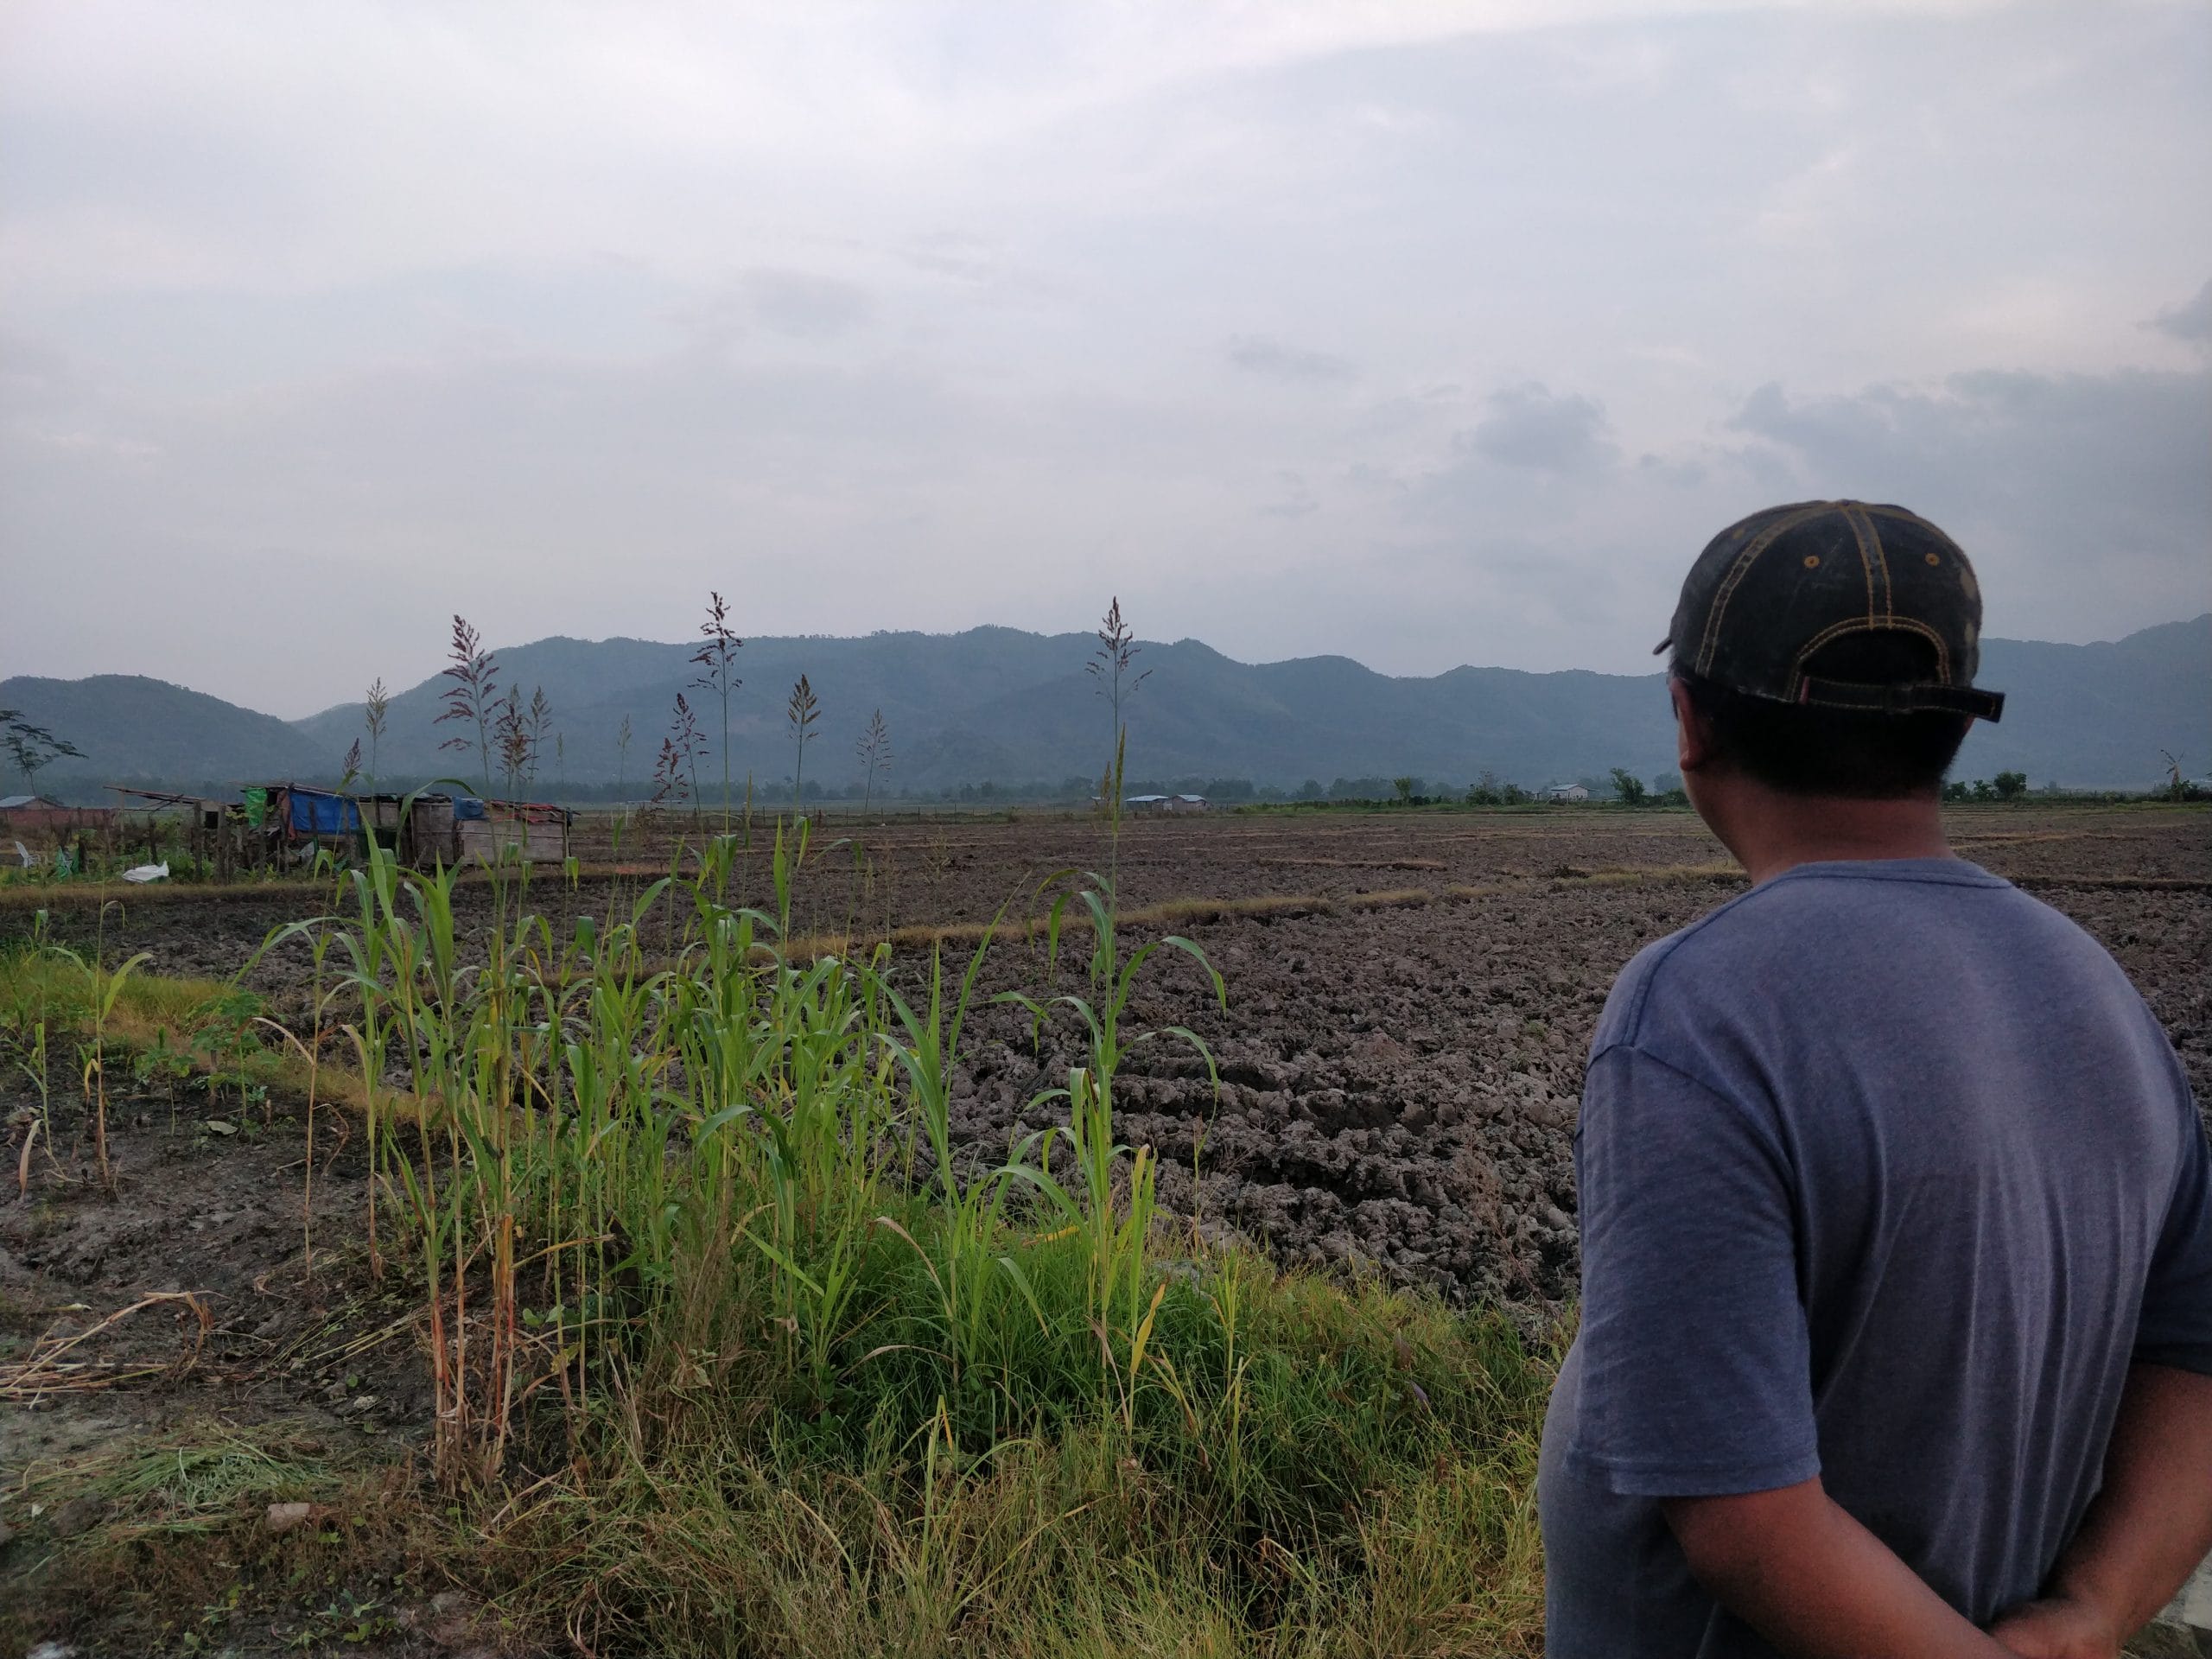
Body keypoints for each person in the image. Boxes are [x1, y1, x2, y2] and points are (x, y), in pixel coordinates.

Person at [1537, 499, 2212, 1658]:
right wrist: (2094, 1611)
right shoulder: (2098, 994)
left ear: (1689, 718)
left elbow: (1745, 1521)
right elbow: (2196, 1358)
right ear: (1950, 729)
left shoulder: (1701, 1009)